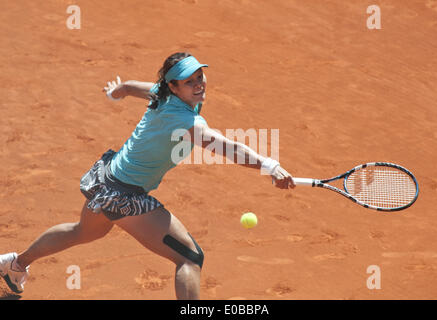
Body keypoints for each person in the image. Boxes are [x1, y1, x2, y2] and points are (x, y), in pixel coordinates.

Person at [0, 52, 295, 299]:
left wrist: (117, 92)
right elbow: (226, 147)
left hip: (105, 180)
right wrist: (268, 165)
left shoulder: (161, 94)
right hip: (125, 196)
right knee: (190, 259)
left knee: (83, 232)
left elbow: (128, 86)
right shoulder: (187, 121)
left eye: (200, 77)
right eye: (189, 81)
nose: (198, 84)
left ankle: (15, 264)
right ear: (174, 86)